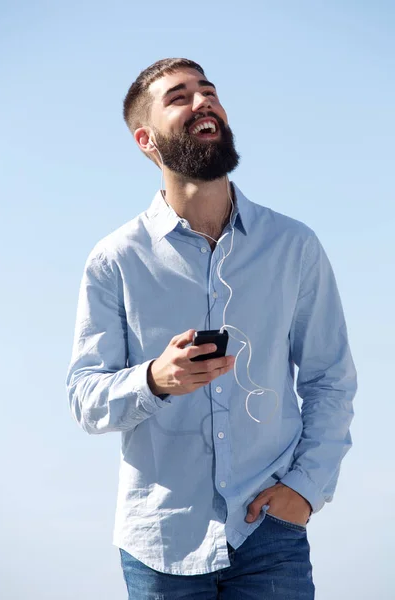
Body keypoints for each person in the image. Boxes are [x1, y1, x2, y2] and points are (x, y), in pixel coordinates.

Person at [66, 58, 357, 599]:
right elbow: (85, 397)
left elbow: (330, 379)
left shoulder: (293, 246)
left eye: (209, 92)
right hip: (160, 543)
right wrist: (155, 378)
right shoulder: (115, 259)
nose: (203, 102)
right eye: (179, 96)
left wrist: (305, 490)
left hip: (270, 533)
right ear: (146, 140)